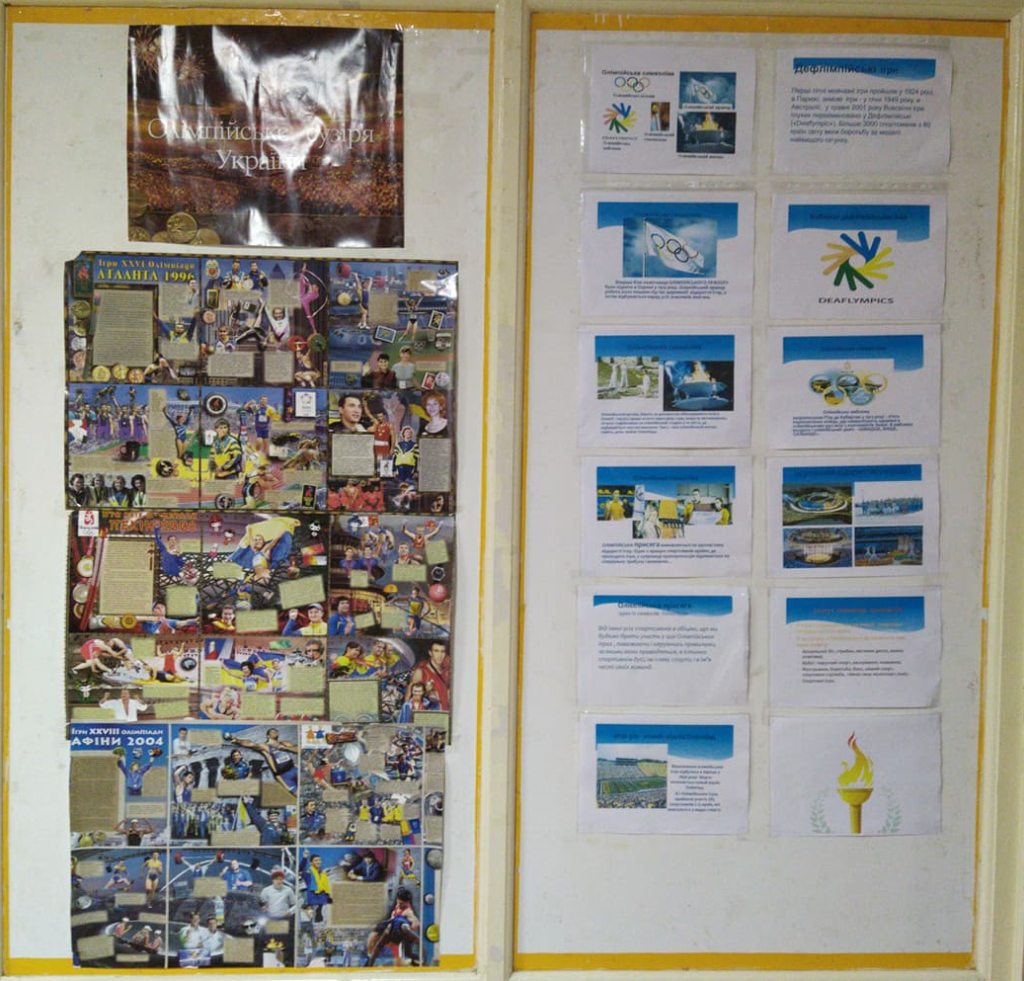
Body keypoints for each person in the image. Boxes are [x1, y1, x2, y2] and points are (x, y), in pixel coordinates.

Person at [224, 728, 299, 793]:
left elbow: (297, 749)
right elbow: (251, 744)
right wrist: (238, 740)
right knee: (296, 794)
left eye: (276, 731)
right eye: (272, 731)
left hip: (294, 768)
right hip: (283, 775)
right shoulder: (264, 746)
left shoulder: (285, 743)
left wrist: (285, 748)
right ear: (268, 736)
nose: (275, 732)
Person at [366, 887, 420, 966]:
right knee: (373, 937)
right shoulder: (396, 908)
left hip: (400, 935)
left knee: (401, 957)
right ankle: (369, 960)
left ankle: (413, 962)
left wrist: (409, 927)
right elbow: (389, 920)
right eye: (398, 901)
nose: (399, 904)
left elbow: (414, 923)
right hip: (391, 932)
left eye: (401, 903)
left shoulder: (408, 912)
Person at [409, 641, 450, 711]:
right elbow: (410, 700)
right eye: (436, 651)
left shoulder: (447, 673)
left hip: (445, 713)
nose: (440, 655)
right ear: (430, 653)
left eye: (442, 651)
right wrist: (426, 691)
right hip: (429, 714)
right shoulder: (421, 672)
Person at [298, 850, 332, 922]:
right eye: (316, 860)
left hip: (323, 900)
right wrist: (304, 858)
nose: (318, 862)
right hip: (313, 901)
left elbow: (326, 886)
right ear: (311, 863)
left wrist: (328, 897)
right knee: (313, 920)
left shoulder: (323, 873)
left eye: (319, 860)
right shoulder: (308, 873)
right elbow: (301, 869)